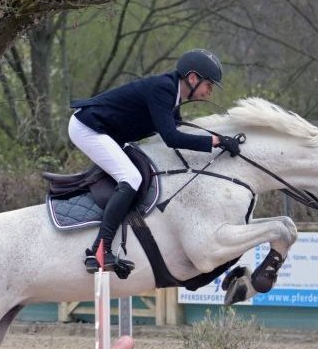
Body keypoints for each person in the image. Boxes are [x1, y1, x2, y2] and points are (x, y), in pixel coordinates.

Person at [68, 48, 243, 277]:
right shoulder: (163, 89)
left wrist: (218, 138)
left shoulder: (173, 96)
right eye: (208, 85)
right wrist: (216, 141)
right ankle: (99, 249)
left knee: (137, 172)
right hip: (88, 128)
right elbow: (171, 139)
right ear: (192, 78)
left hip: (108, 133)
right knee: (131, 177)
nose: (209, 91)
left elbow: (178, 132)